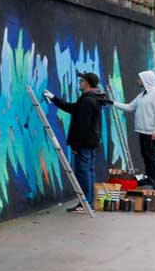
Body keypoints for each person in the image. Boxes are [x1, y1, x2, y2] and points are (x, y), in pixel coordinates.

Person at [45, 71, 110, 212]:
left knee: (83, 173)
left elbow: (82, 125)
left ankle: (85, 204)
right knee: (89, 172)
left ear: (87, 83)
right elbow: (73, 108)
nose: (80, 83)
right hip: (91, 142)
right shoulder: (93, 98)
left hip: (84, 143)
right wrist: (54, 99)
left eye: (81, 81)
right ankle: (88, 203)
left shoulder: (87, 100)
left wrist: (75, 145)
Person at [112, 70, 155, 204]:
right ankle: (149, 181)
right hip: (142, 131)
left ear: (146, 80)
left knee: (152, 158)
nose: (138, 81)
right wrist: (112, 102)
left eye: (140, 79)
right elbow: (129, 107)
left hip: (152, 133)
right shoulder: (142, 95)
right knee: (146, 158)